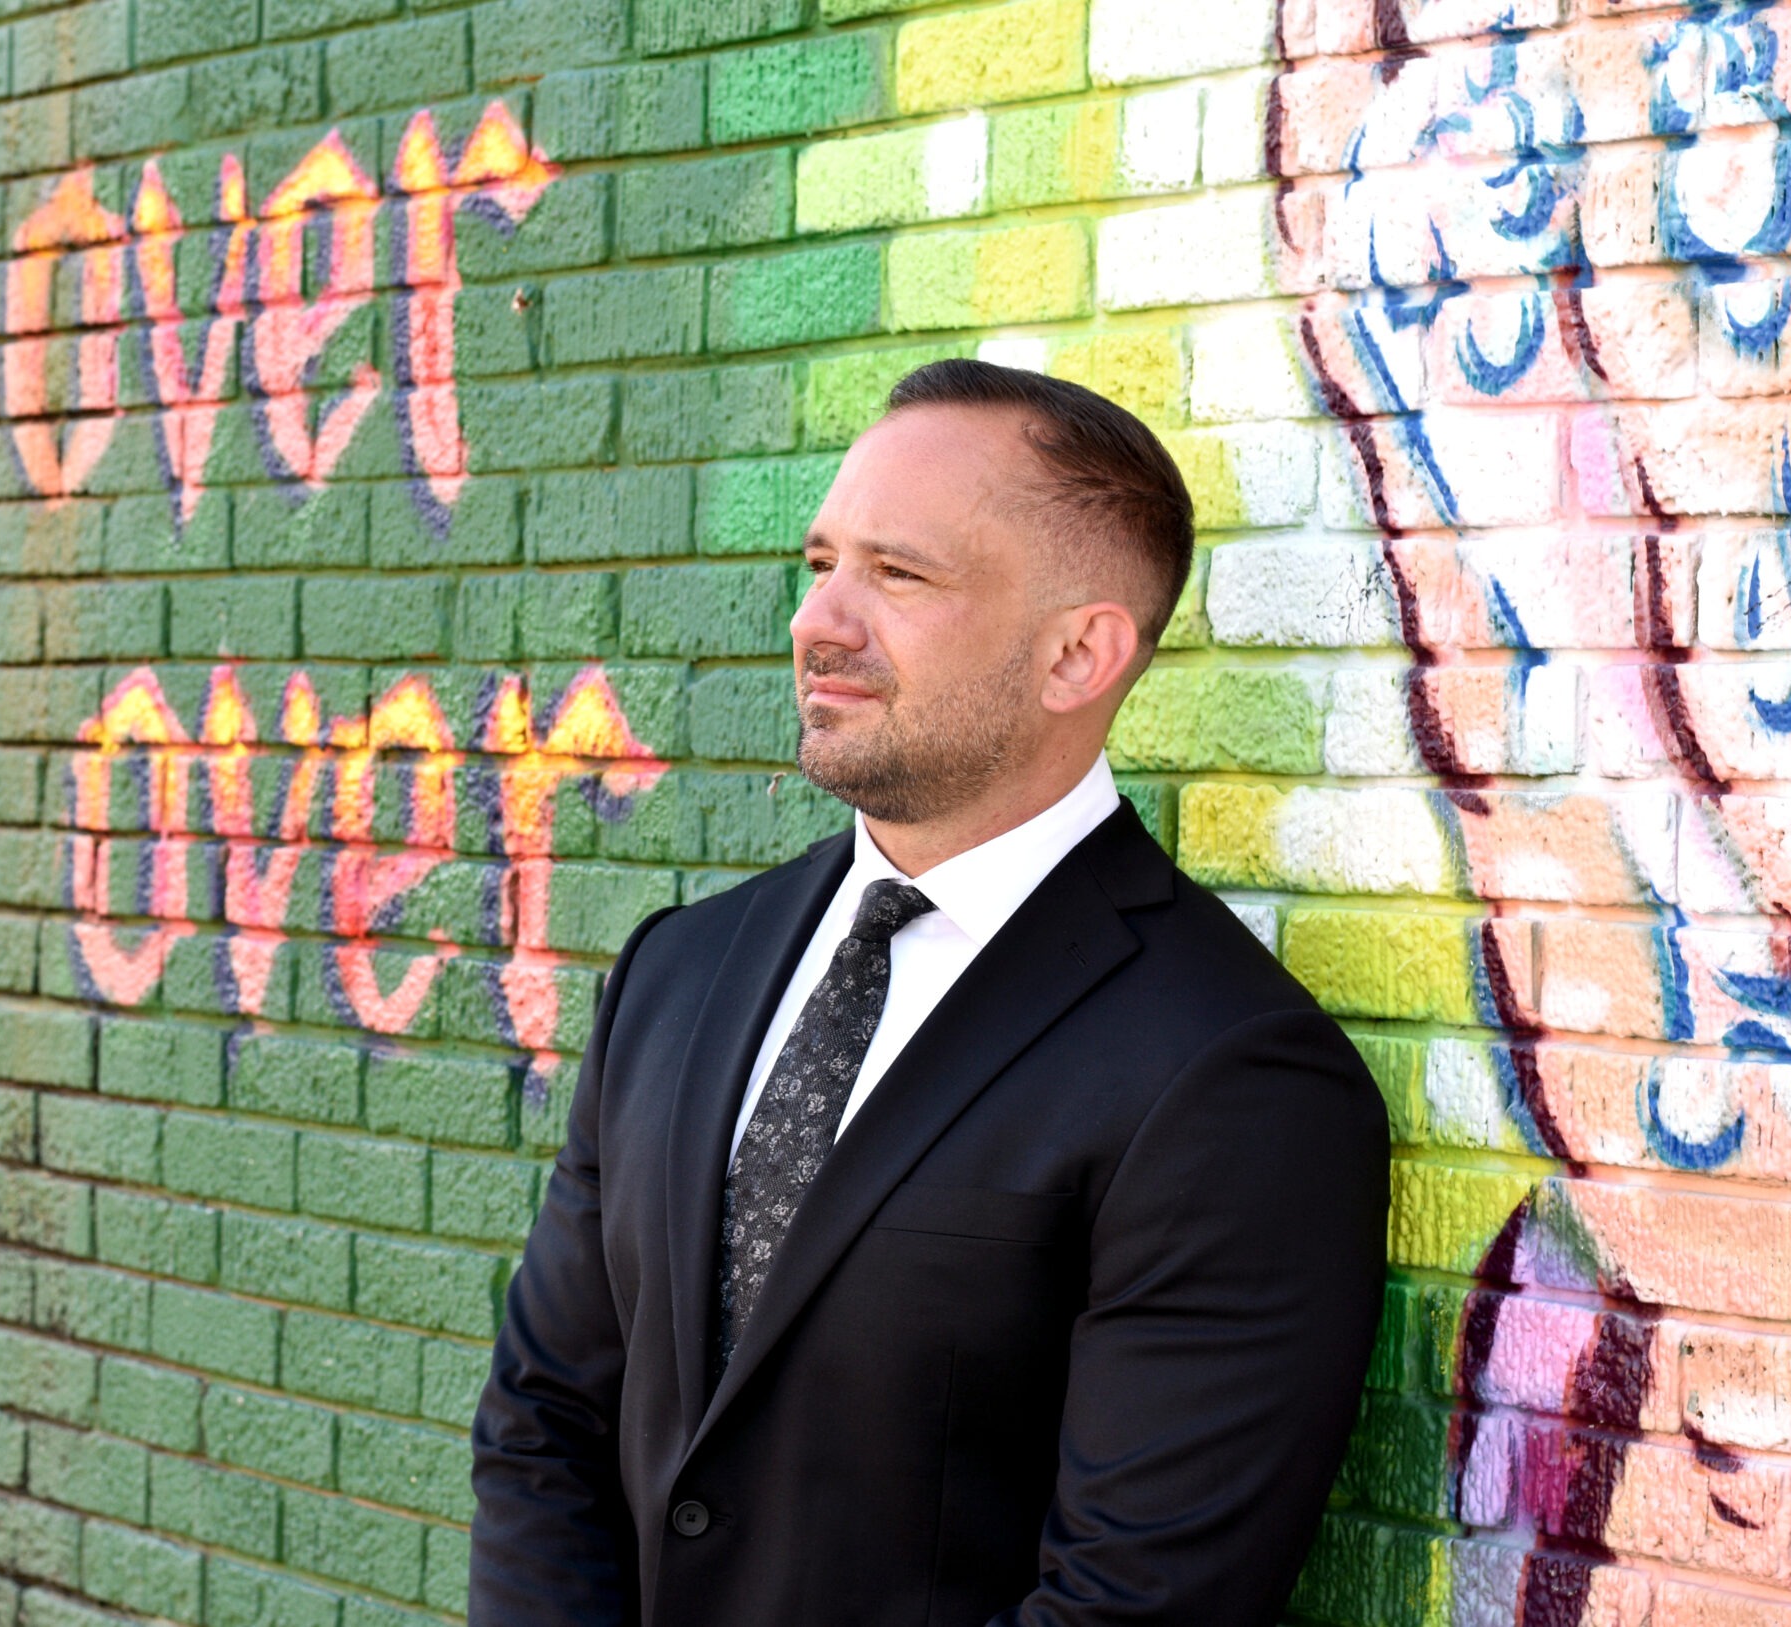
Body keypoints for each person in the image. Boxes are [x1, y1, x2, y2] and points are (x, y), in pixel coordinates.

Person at [468, 359, 1389, 1626]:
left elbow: (1132, 1605)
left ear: (1077, 653)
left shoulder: (1230, 1074)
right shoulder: (677, 971)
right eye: (821, 563)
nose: (820, 620)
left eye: (898, 574)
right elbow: (544, 1421)